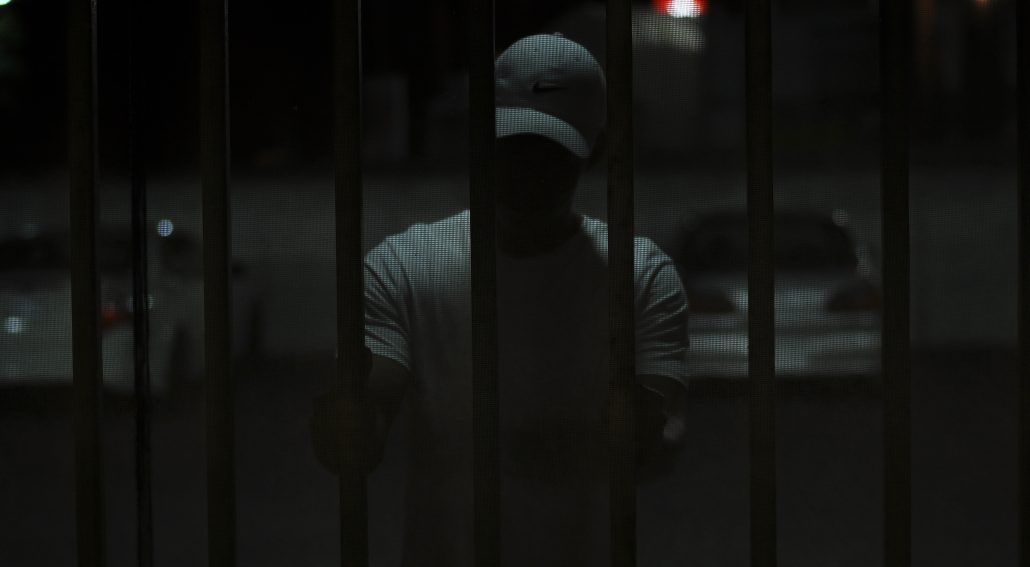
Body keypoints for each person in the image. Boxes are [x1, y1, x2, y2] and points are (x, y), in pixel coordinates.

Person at [312, 33, 689, 566]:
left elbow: (644, 441)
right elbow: (358, 428)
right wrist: (348, 418)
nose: (527, 170)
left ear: (600, 150)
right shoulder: (403, 267)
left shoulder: (641, 275)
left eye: (550, 152)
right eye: (512, 146)